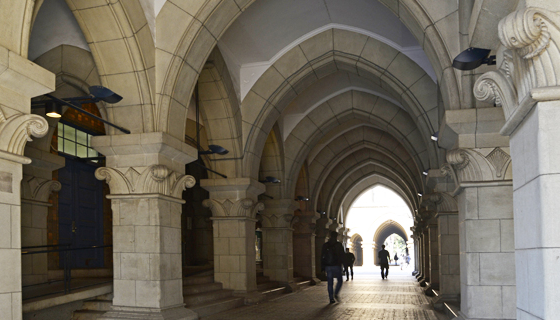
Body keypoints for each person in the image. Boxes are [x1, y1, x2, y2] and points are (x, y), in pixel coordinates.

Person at [321, 231, 345, 303]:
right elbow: (342, 256)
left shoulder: (325, 245)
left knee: (330, 283)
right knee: (340, 281)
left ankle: (331, 298)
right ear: (336, 236)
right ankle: (336, 293)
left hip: (328, 266)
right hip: (337, 266)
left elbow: (322, 256)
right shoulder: (339, 245)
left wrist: (322, 266)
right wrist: (344, 265)